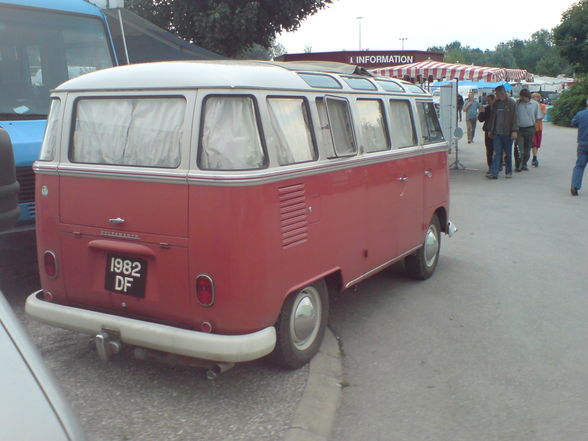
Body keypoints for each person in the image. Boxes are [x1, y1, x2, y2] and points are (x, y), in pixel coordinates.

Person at [487, 85, 518, 179]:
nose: (496, 95)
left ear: (502, 92)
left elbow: (515, 117)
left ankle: (508, 172)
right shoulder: (496, 104)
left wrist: (514, 130)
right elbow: (492, 118)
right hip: (497, 133)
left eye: (496, 93)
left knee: (508, 153)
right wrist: (490, 129)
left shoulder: (511, 103)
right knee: (497, 152)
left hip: (508, 132)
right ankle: (494, 172)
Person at [514, 88, 542, 171]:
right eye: (521, 97)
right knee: (519, 149)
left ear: (528, 97)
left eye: (524, 97)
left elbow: (538, 117)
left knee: (527, 149)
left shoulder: (535, 104)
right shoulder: (517, 104)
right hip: (519, 129)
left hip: (530, 128)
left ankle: (524, 163)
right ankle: (518, 165)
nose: (523, 99)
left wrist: (536, 128)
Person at [570, 97, 588, 196]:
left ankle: (575, 185)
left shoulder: (580, 114)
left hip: (583, 143)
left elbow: (573, 123)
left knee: (580, 166)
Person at [478, 93, 495, 171]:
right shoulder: (487, 108)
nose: (488, 102)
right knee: (489, 149)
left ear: (493, 100)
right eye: (487, 100)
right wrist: (481, 112)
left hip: (496, 131)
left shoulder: (497, 108)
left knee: (497, 149)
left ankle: (497, 164)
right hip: (487, 130)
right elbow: (481, 119)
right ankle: (490, 166)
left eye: (489, 100)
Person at [531, 92, 547, 167]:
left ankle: (535, 155)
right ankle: (534, 157)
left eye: (537, 97)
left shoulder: (542, 106)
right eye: (534, 97)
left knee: (537, 144)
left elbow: (542, 116)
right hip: (532, 126)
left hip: (539, 127)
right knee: (534, 143)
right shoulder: (530, 106)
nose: (535, 99)